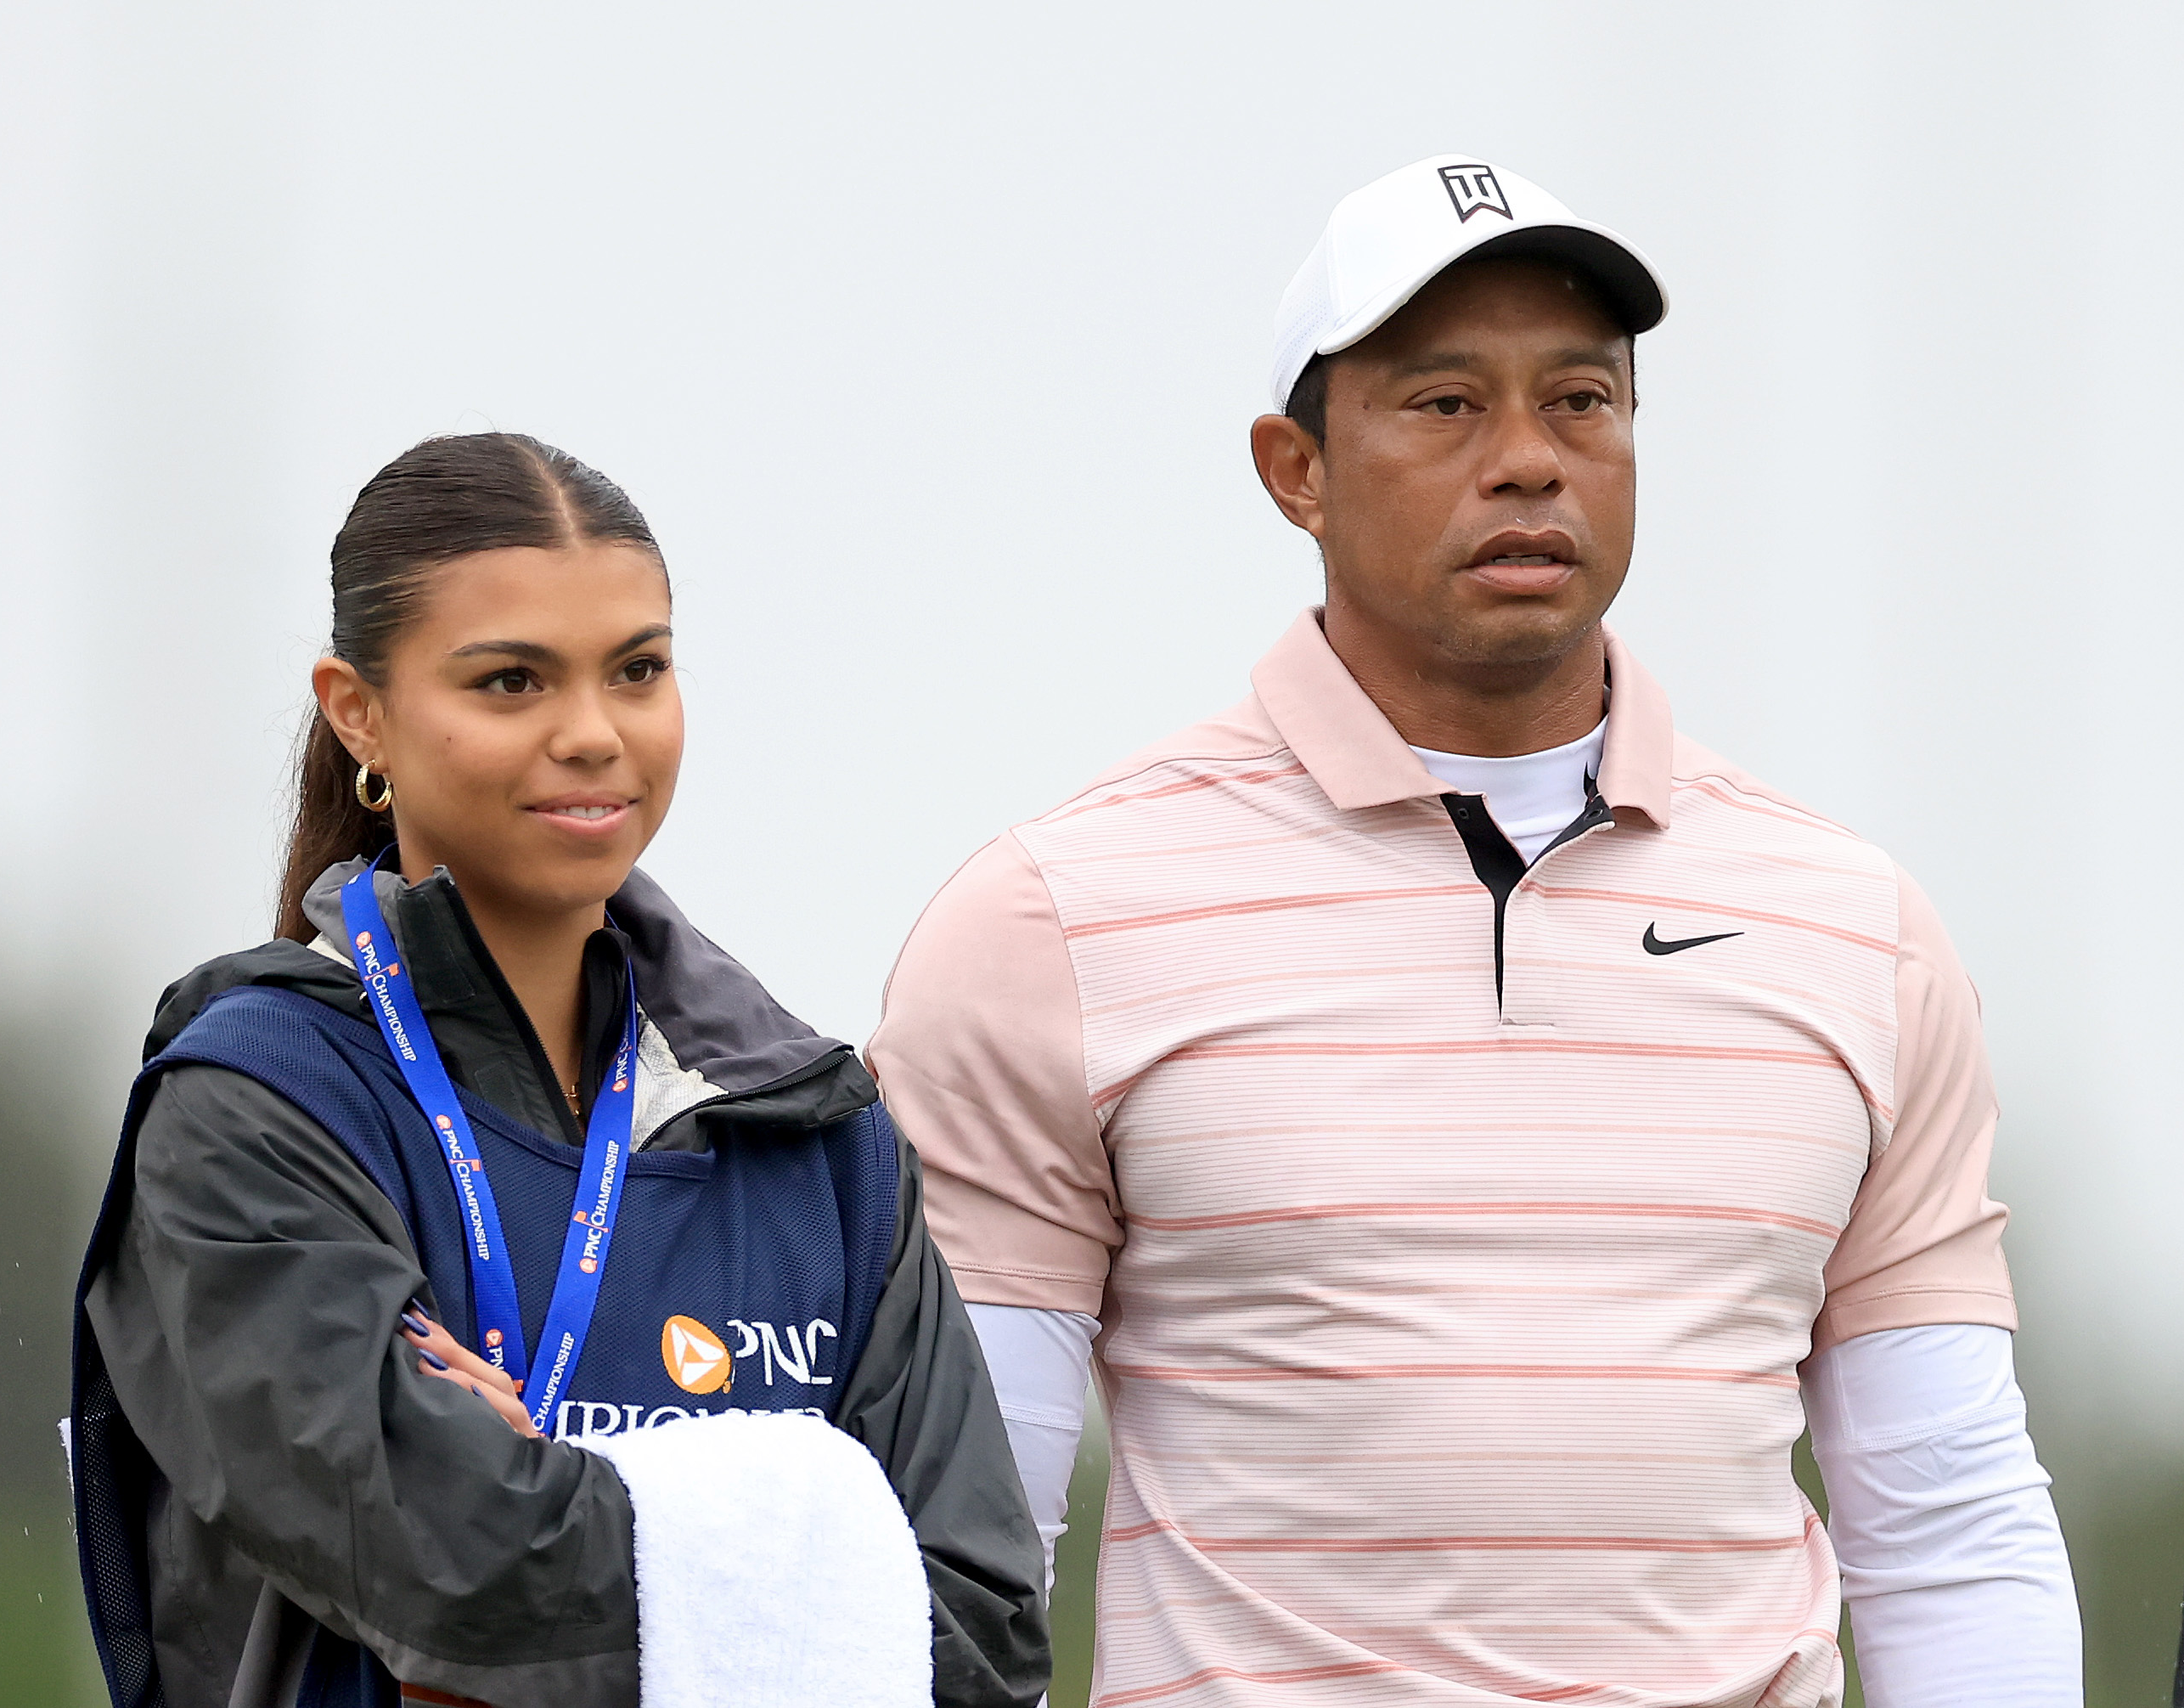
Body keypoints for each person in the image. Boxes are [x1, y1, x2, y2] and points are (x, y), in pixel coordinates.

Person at [868, 157, 2081, 1706]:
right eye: (1444, 404)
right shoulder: (1050, 922)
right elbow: (969, 1553)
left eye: (1580, 400)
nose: (1529, 460)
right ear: (1293, 468)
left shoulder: (1852, 926)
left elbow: (1948, 1524)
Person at [70, 432, 1050, 1708]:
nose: (593, 735)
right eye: (512, 682)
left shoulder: (813, 1133)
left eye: (636, 670)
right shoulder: (251, 1111)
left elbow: (984, 1639)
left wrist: (558, 1478)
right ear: (357, 711)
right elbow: (460, 1580)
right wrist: (782, 1552)